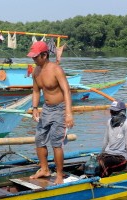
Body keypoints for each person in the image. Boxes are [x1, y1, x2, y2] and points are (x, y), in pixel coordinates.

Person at [28, 41, 74, 184]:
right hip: (46, 109)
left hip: (60, 109)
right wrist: (35, 108)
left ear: (44, 55)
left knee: (56, 142)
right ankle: (44, 169)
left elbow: (66, 90)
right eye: (33, 57)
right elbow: (36, 91)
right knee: (39, 138)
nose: (34, 60)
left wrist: (68, 113)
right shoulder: (36, 71)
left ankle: (59, 175)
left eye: (36, 57)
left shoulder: (56, 69)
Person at [97, 100, 127, 177]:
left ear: (122, 113)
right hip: (108, 154)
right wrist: (101, 154)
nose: (112, 115)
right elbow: (105, 140)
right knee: (92, 163)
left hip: (121, 158)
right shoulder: (109, 122)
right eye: (111, 112)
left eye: (115, 112)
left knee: (103, 164)